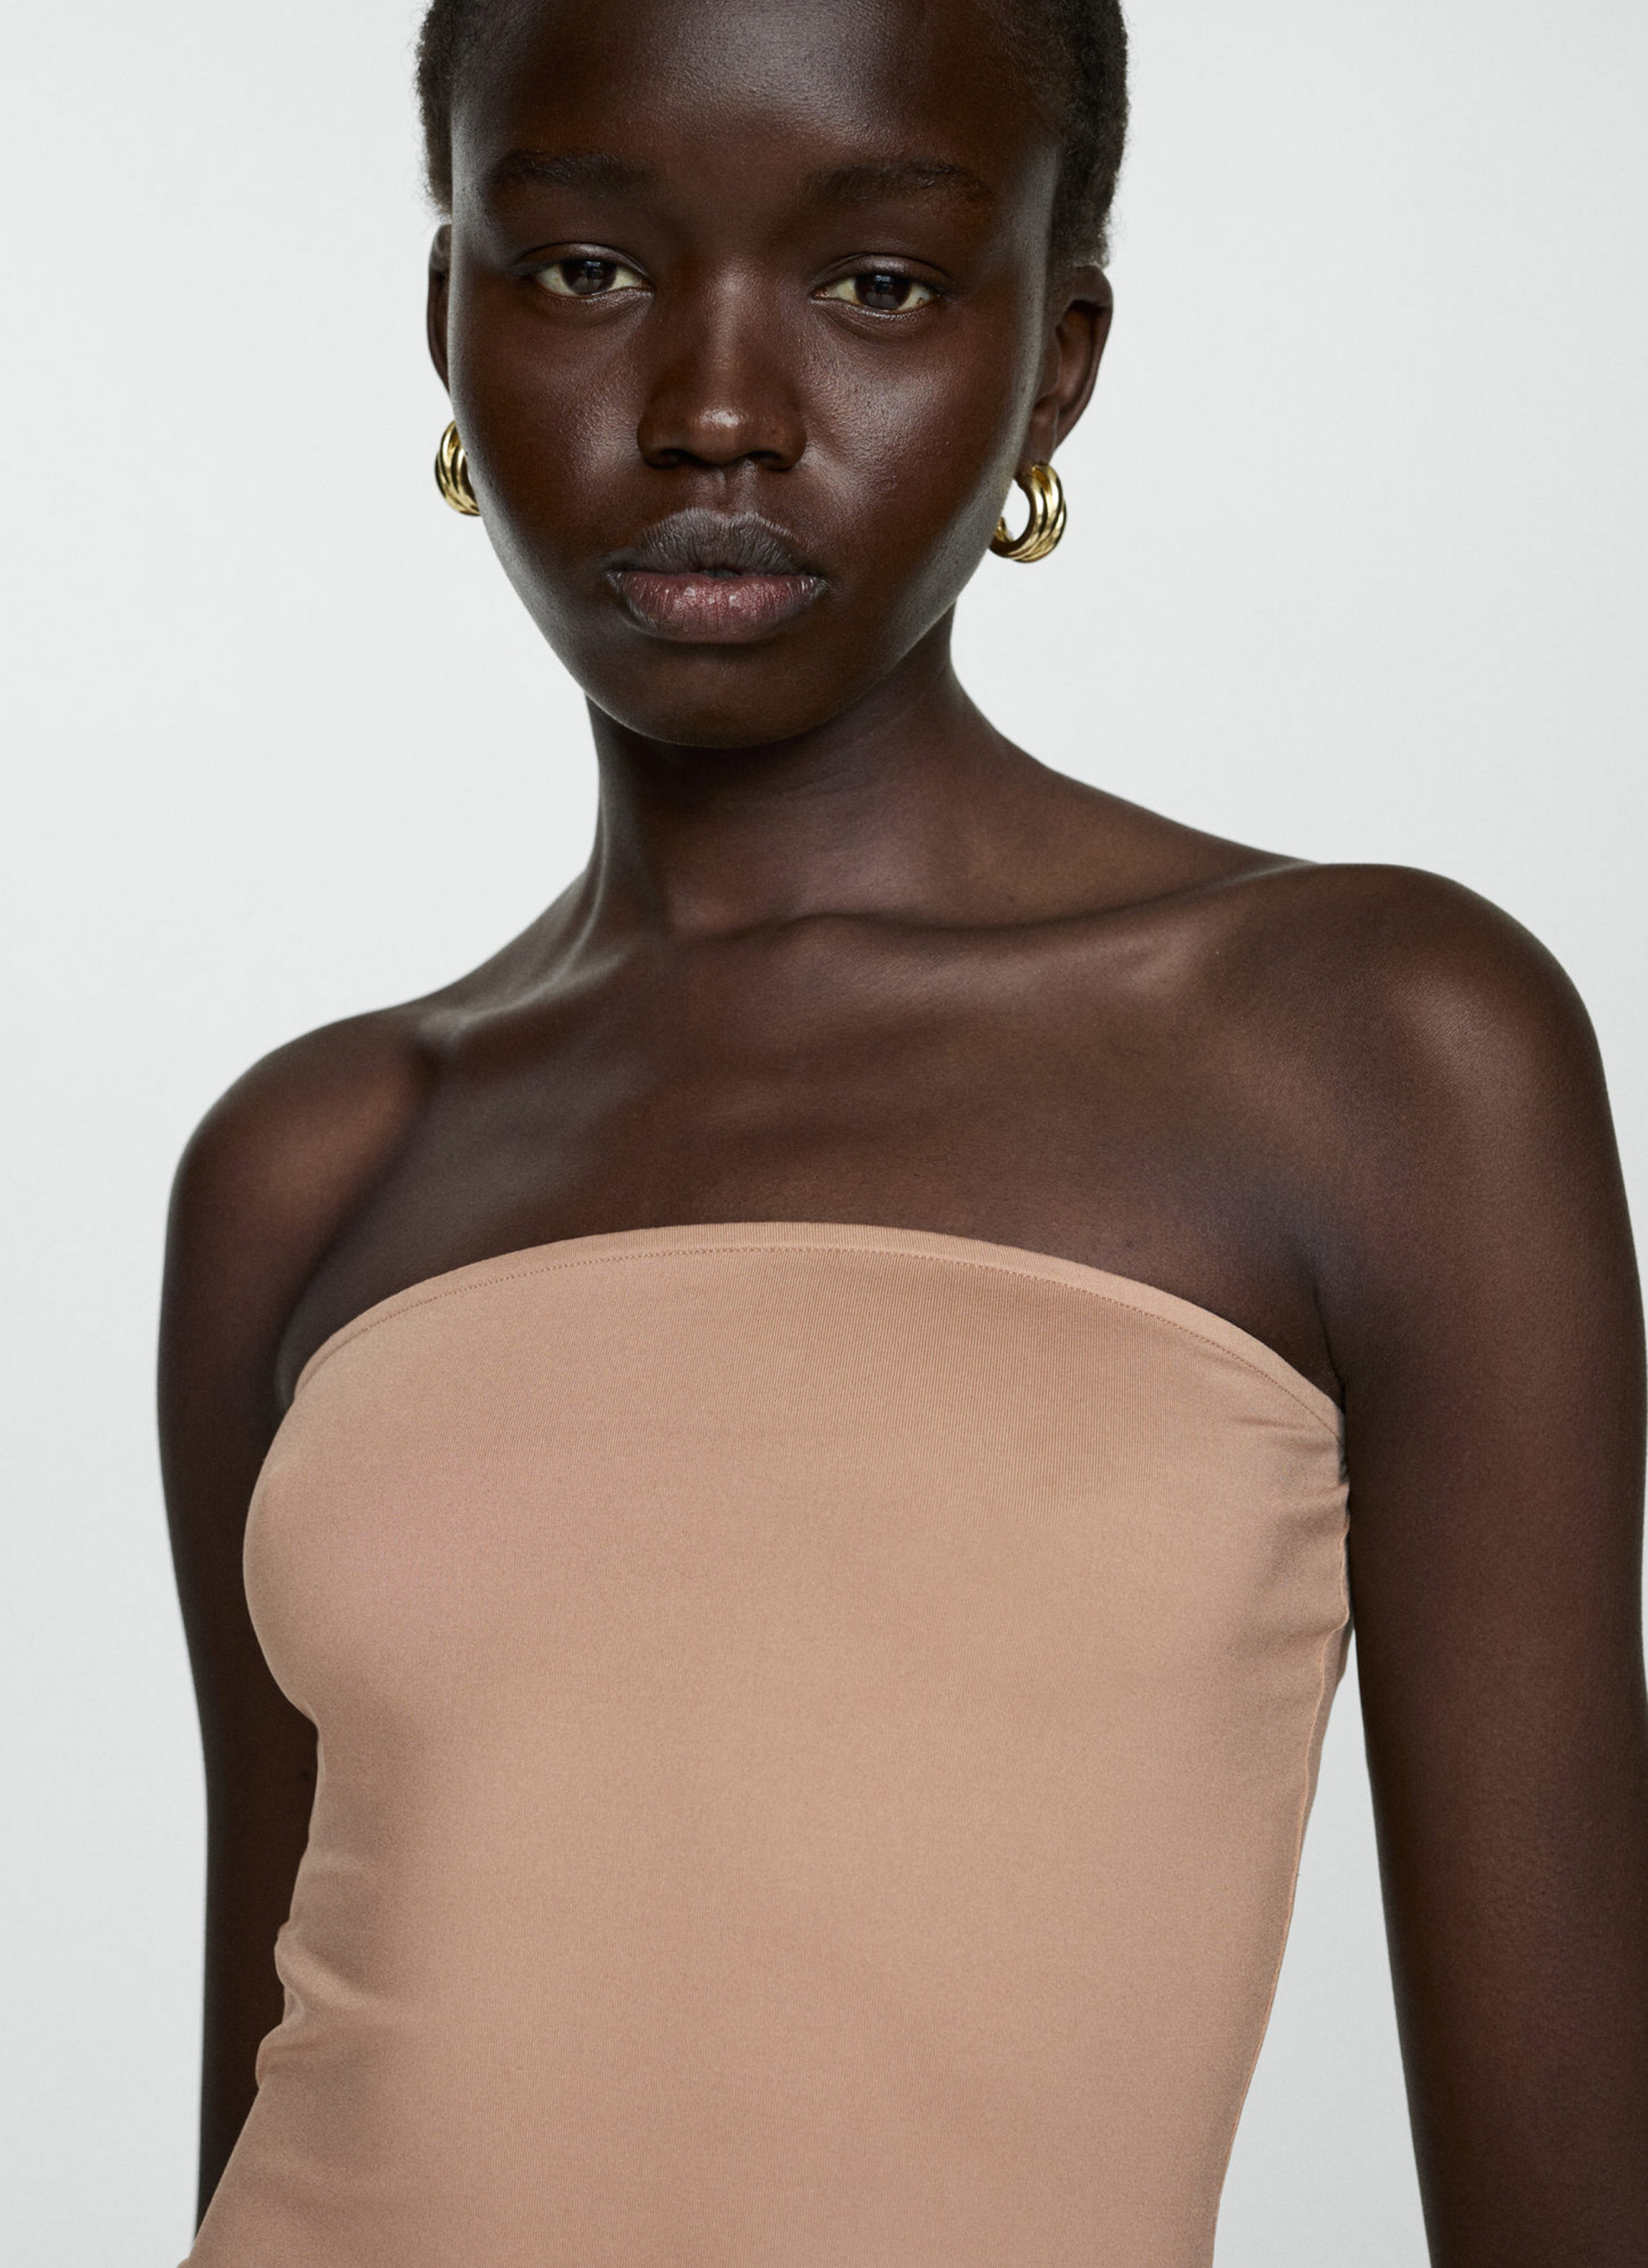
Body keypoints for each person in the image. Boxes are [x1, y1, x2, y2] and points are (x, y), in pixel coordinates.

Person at [160, 0, 1648, 2261]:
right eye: (587, 268)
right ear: (448, 316)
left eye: (876, 282)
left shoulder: (1369, 1051)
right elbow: (264, 2082)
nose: (717, 411)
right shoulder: (312, 1165)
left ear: (1054, 364)